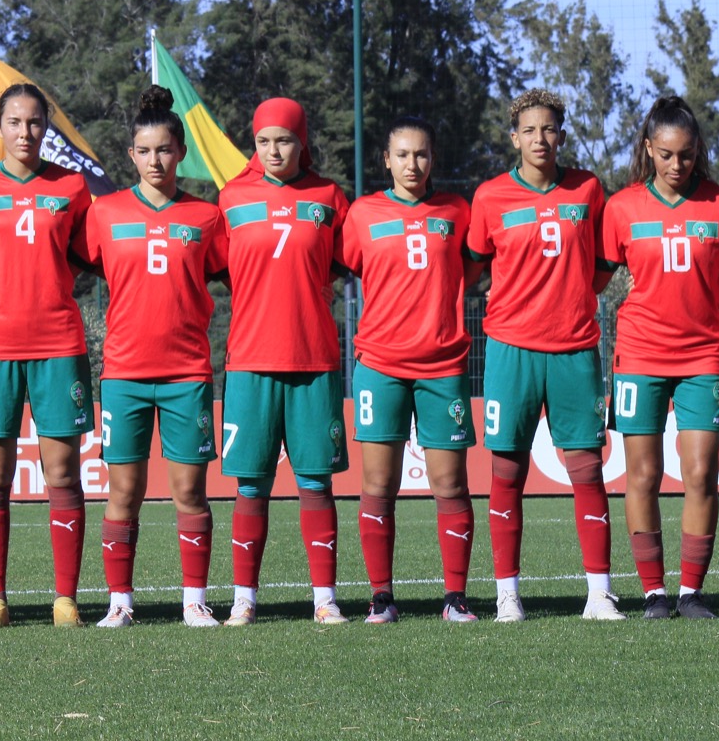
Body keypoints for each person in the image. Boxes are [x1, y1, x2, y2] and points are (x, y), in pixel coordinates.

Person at [467, 88, 621, 622]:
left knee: (586, 471)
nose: (540, 138)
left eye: (549, 128)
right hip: (511, 350)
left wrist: (573, 295)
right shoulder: (489, 197)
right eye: (529, 130)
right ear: (514, 138)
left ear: (562, 134)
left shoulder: (587, 189)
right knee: (506, 471)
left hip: (575, 349)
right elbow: (470, 270)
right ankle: (507, 593)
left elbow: (603, 266)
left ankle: (599, 593)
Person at [82, 87, 228, 628]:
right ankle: (120, 601)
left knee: (189, 489)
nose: (154, 160)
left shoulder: (208, 217)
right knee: (124, 490)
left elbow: (237, 272)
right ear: (131, 156)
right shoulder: (106, 213)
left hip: (187, 371)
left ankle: (194, 600)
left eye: (164, 150)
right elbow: (68, 262)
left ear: (180, 150)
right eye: (144, 152)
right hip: (123, 372)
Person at [0, 83, 94, 628]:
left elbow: (87, 252)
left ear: (47, 126)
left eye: (35, 123)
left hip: (57, 343)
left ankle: (65, 599)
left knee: (62, 470)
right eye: (14, 122)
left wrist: (49, 284)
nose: (25, 133)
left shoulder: (73, 187)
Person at [598, 96, 719, 620]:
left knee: (701, 472)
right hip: (638, 355)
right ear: (647, 149)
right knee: (643, 474)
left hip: (703, 355)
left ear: (697, 151)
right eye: (665, 155)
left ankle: (692, 592)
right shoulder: (621, 208)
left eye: (685, 155)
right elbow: (597, 275)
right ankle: (655, 592)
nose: (676, 165)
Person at [341, 116, 481, 624]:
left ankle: (456, 597)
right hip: (379, 364)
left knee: (451, 484)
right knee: (379, 484)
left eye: (421, 154)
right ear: (386, 159)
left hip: (443, 365)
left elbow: (471, 269)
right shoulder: (362, 213)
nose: (412, 164)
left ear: (433, 158)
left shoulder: (457, 212)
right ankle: (381, 597)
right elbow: (352, 264)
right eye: (402, 154)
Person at [217, 97, 350, 626]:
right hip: (250, 359)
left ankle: (325, 599)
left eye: (285, 140)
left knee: (316, 481)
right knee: (251, 484)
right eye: (265, 140)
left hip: (313, 358)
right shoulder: (230, 197)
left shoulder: (329, 197)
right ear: (255, 144)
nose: (275, 150)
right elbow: (219, 269)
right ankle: (244, 599)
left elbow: (340, 266)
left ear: (303, 143)